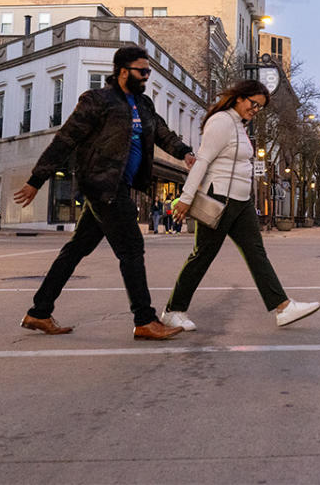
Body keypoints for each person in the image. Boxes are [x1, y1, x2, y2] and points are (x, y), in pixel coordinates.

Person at [14, 46, 194, 341]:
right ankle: (145, 320)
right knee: (132, 248)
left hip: (119, 185)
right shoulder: (98, 101)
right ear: (123, 71)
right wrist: (37, 179)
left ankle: (39, 311)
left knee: (75, 250)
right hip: (101, 185)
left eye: (148, 71)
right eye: (142, 71)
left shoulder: (144, 104)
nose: (146, 76)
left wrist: (185, 152)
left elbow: (161, 133)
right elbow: (65, 140)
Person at [164, 79, 320, 331]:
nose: (255, 110)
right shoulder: (222, 122)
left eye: (259, 107)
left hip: (241, 199)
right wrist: (186, 197)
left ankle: (282, 307)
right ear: (239, 97)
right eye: (253, 104)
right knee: (203, 255)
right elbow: (203, 161)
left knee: (256, 253)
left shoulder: (238, 125)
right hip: (220, 197)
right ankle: (173, 310)